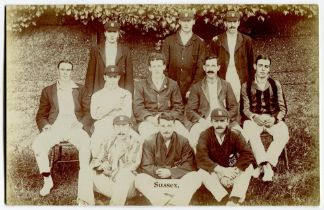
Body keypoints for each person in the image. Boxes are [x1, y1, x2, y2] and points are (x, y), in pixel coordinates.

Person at [32, 60, 94, 205]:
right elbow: (41, 115)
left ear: (72, 71)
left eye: (68, 70)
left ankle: (84, 190)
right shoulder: (48, 91)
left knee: (86, 146)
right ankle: (47, 181)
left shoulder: (81, 89)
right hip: (55, 127)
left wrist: (80, 124)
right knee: (38, 145)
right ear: (58, 71)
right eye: (63, 69)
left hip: (75, 127)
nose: (65, 72)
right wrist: (46, 125)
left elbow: (88, 112)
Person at [135, 113, 201, 206]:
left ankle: (175, 203)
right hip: (157, 182)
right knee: (139, 179)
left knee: (195, 176)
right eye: (163, 126)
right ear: (158, 126)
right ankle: (163, 202)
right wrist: (162, 173)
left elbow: (189, 165)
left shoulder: (183, 141)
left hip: (177, 182)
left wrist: (170, 172)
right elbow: (146, 166)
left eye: (169, 126)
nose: (166, 129)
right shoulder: (149, 141)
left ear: (174, 125)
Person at [241, 54, 289, 182]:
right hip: (254, 119)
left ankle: (265, 165)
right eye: (260, 65)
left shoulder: (275, 84)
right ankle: (264, 165)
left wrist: (275, 119)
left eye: (266, 66)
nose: (263, 69)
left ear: (269, 69)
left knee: (283, 133)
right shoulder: (246, 85)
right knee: (249, 131)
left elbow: (283, 108)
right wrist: (253, 116)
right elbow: (245, 109)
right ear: (255, 66)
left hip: (271, 118)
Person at [196, 108, 255, 205]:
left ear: (227, 121)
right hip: (216, 172)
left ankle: (234, 198)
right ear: (211, 122)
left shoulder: (235, 133)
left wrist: (236, 169)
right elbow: (201, 158)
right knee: (202, 172)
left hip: (232, 171)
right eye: (216, 121)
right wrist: (221, 171)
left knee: (249, 167)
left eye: (222, 121)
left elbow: (247, 153)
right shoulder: (205, 135)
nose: (219, 124)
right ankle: (224, 198)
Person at [186, 55, 242, 152]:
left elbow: (234, 107)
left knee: (243, 136)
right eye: (208, 66)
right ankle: (201, 164)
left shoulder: (226, 85)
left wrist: (225, 119)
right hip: (204, 121)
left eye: (213, 66)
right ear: (204, 68)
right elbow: (190, 110)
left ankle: (240, 164)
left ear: (218, 67)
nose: (210, 69)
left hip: (224, 119)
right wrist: (201, 121)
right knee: (192, 138)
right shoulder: (196, 87)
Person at [133, 52, 189, 139]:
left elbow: (178, 107)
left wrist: (166, 118)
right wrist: (150, 118)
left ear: (164, 67)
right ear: (149, 68)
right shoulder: (141, 85)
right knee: (149, 139)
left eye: (159, 66)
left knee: (186, 138)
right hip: (149, 121)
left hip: (170, 119)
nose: (157, 69)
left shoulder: (172, 84)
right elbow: (138, 108)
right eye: (154, 66)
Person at [90, 115, 143, 205]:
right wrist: (101, 166)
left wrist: (110, 172)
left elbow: (132, 164)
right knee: (85, 171)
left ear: (130, 127)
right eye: (118, 127)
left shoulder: (135, 142)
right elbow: (96, 160)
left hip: (126, 186)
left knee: (124, 174)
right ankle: (85, 203)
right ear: (113, 128)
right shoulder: (108, 141)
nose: (121, 130)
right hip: (109, 183)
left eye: (124, 126)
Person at [162, 10, 206, 103]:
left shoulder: (200, 42)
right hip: (171, 88)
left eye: (189, 21)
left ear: (193, 21)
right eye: (184, 21)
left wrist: (193, 88)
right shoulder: (169, 41)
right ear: (179, 22)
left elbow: (200, 69)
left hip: (190, 89)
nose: (186, 24)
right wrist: (168, 86)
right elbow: (163, 65)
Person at [210, 10, 254, 103]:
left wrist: (251, 82)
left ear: (238, 23)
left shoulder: (246, 40)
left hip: (240, 77)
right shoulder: (217, 40)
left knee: (241, 103)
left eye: (234, 22)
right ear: (225, 23)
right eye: (229, 22)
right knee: (224, 104)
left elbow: (250, 63)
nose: (232, 25)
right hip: (223, 76)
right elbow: (212, 63)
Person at [90, 65, 132, 157]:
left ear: (119, 77)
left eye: (115, 77)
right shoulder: (97, 95)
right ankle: (97, 164)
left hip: (121, 123)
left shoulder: (125, 93)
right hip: (103, 123)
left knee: (135, 139)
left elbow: (127, 114)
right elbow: (95, 115)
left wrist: (104, 111)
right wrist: (113, 107)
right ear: (105, 77)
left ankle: (125, 165)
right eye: (109, 77)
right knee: (98, 139)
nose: (112, 80)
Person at [85, 20, 133, 95]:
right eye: (109, 32)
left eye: (114, 32)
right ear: (105, 33)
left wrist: (129, 95)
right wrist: (89, 94)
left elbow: (129, 76)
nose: (112, 35)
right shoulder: (96, 50)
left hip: (119, 89)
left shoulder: (125, 51)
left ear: (118, 34)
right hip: (100, 88)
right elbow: (90, 74)